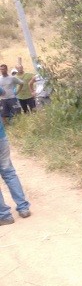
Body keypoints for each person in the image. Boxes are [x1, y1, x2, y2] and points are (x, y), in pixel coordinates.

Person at [0, 87, 31, 225]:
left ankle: (4, 215)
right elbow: (2, 92)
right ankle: (23, 208)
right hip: (1, 138)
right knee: (9, 173)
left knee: (9, 173)